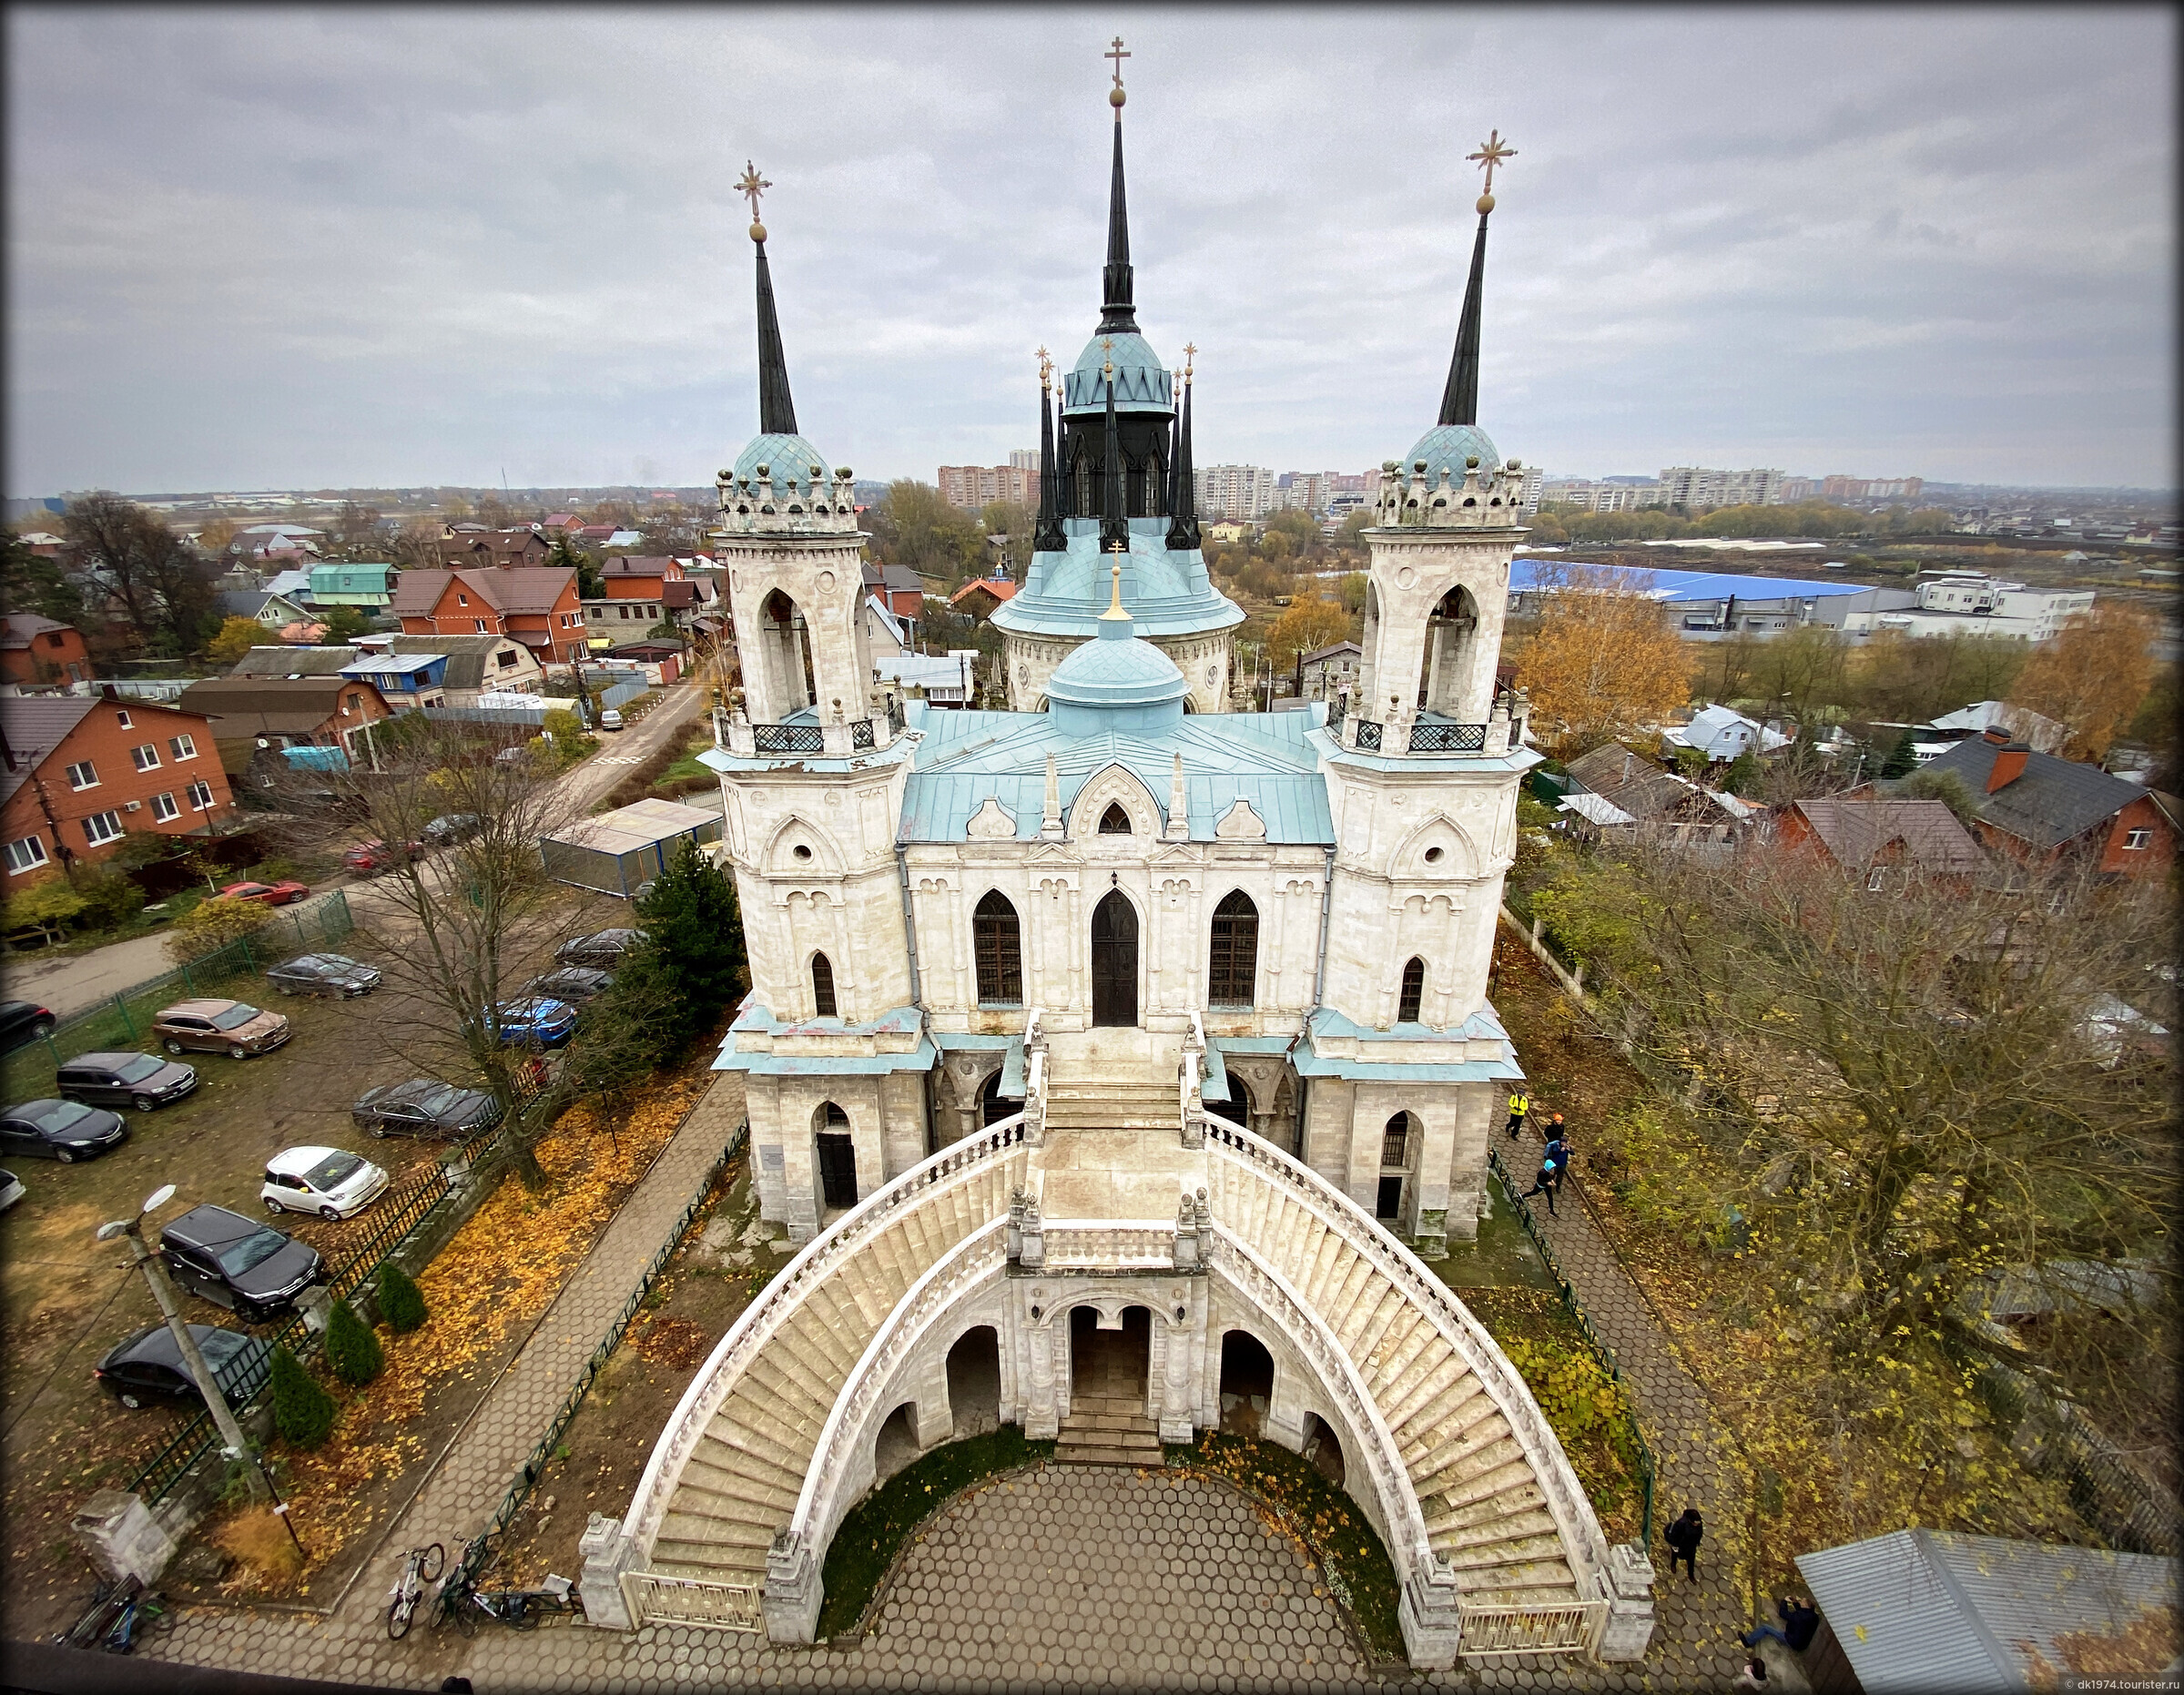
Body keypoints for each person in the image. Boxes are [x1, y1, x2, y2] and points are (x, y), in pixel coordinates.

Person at [1743, 1596, 1819, 1652]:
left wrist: (1784, 1601)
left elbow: (1783, 1614)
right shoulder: (1815, 1617)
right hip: (1803, 1644)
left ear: (1805, 1605)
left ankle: (1748, 1642)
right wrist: (1795, 1603)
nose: (1800, 1601)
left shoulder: (1799, 1616)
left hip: (1792, 1641)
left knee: (1765, 1628)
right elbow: (1803, 1613)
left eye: (1801, 1602)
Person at [1519, 1139, 1568, 1216]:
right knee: (1533, 1192)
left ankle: (1551, 1211)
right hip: (1540, 1186)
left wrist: (1552, 1182)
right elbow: (1539, 1181)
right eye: (1552, 1168)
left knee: (1550, 1198)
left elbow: (1551, 1178)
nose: (1553, 1170)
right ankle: (1522, 1196)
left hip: (1547, 1186)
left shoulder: (1551, 1172)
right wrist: (1547, 1183)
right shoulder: (1542, 1172)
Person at [1662, 1507, 1704, 1580]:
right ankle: (1673, 1565)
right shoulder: (1681, 1523)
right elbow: (1675, 1535)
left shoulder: (1698, 1524)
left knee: (1691, 1560)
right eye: (1695, 1523)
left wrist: (1697, 1541)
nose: (1696, 1525)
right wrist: (1675, 1545)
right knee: (1675, 1554)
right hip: (1680, 1544)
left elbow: (1700, 1533)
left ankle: (1691, 1575)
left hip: (1691, 1546)